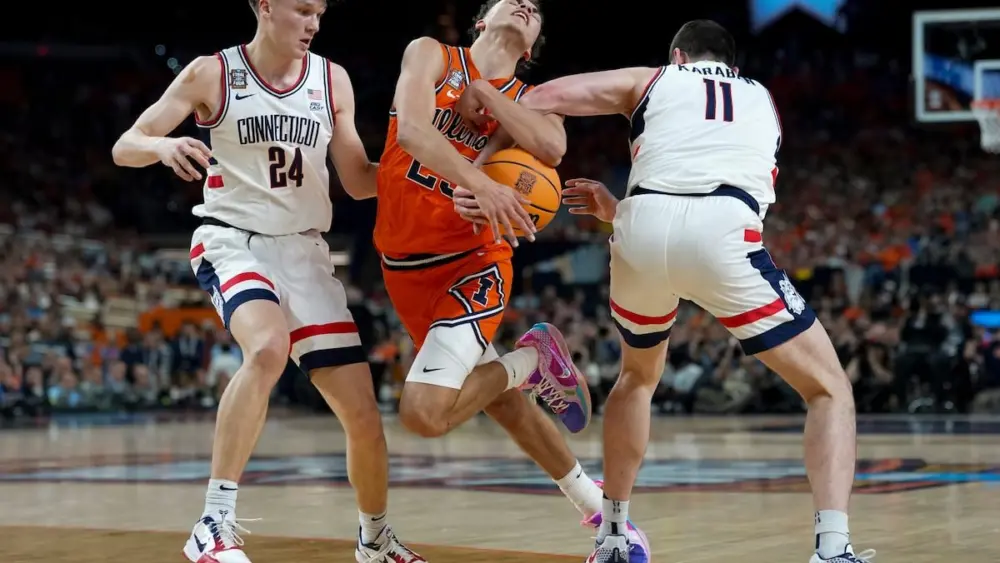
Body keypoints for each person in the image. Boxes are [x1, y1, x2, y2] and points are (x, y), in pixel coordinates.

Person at [454, 19, 873, 563]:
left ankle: (612, 537)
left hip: (642, 225)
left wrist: (484, 100)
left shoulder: (651, 79)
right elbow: (708, 176)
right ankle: (832, 549)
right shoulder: (764, 101)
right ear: (732, 66)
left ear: (677, 56)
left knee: (636, 379)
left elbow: (540, 97)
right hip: (725, 230)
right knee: (829, 390)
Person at [111, 1, 423, 562]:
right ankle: (213, 523)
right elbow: (125, 144)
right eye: (302, 9)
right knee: (268, 348)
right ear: (263, 5)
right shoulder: (213, 72)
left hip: (305, 252)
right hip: (234, 239)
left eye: (320, 11)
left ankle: (375, 540)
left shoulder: (332, 80)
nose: (314, 22)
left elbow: (355, 180)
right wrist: (161, 146)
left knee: (363, 414)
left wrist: (426, 170)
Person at [375, 0, 649, 558]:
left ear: (532, 46)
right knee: (496, 398)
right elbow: (412, 135)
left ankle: (528, 362)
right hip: (403, 265)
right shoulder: (431, 54)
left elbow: (552, 147)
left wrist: (491, 94)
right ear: (481, 20)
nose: (525, 3)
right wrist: (482, 181)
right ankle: (595, 505)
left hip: (474, 264)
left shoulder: (535, 97)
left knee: (425, 415)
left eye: (535, 9)